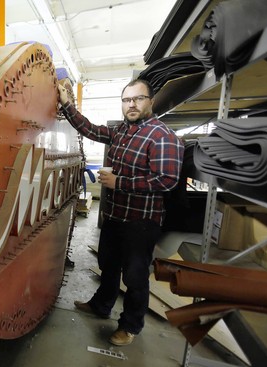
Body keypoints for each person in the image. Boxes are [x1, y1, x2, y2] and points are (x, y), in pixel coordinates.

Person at [58, 79, 184, 346]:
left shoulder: (162, 136)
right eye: (127, 100)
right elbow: (90, 129)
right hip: (116, 216)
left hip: (141, 222)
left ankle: (130, 326)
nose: (132, 105)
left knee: (135, 277)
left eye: (138, 99)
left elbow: (166, 180)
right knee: (109, 265)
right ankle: (102, 305)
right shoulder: (122, 131)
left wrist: (120, 183)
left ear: (151, 100)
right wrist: (67, 104)